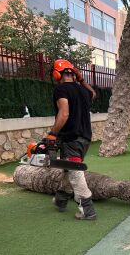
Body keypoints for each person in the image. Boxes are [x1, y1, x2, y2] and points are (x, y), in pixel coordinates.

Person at [45, 59, 97, 220]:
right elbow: (93, 94)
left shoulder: (61, 89)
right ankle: (61, 199)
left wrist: (53, 134)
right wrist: (81, 80)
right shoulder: (82, 90)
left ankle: (87, 208)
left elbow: (64, 113)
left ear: (56, 74)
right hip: (85, 138)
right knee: (70, 168)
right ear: (72, 74)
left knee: (75, 171)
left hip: (71, 138)